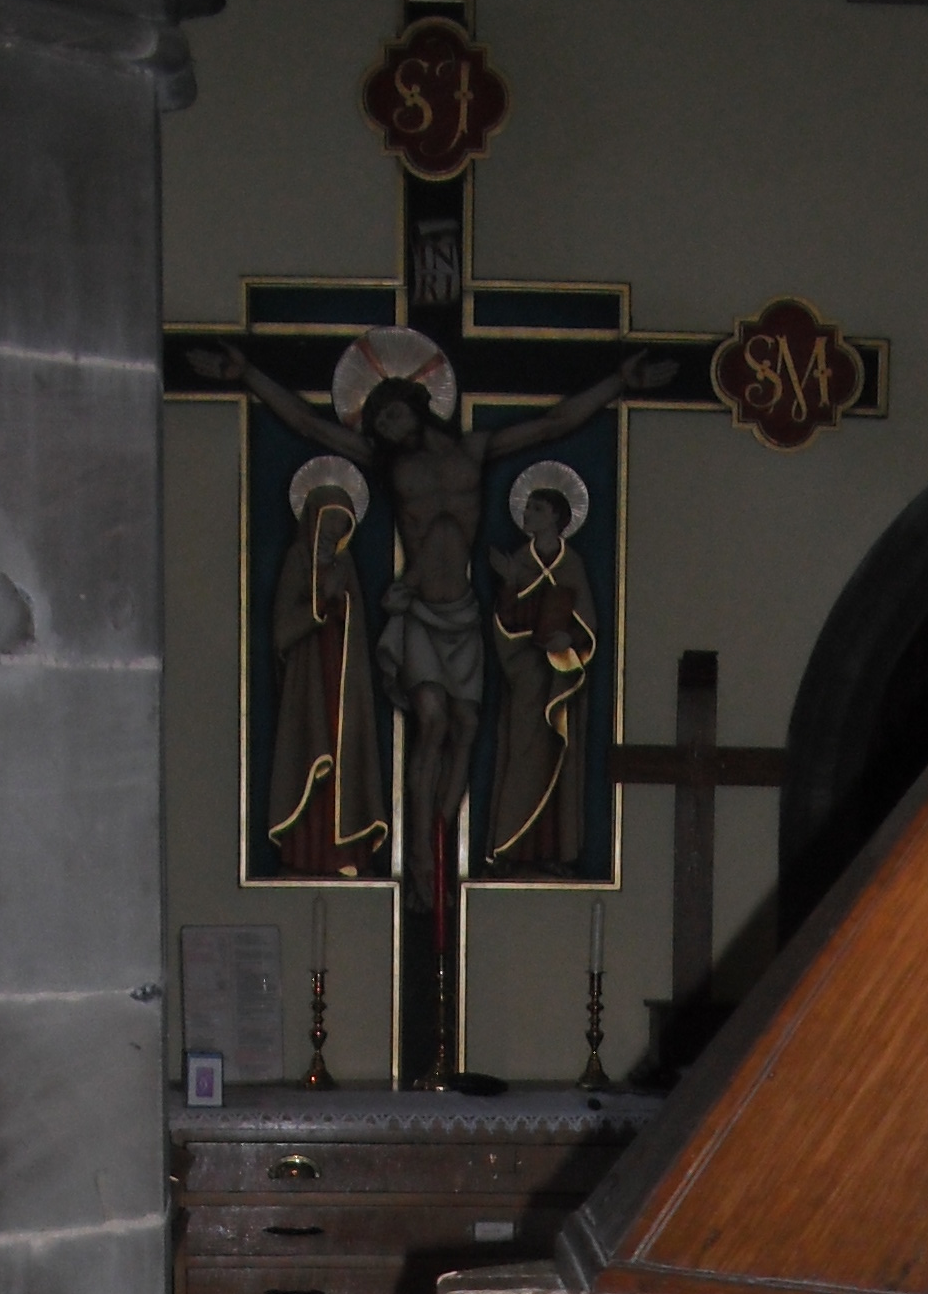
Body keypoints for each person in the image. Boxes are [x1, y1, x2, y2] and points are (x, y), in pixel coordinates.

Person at [209, 324, 671, 908]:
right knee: (430, 720)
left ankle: (444, 845)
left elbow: (555, 424)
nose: (387, 428)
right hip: (421, 612)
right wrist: (246, 376)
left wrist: (616, 385)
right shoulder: (386, 464)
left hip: (465, 614)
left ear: (415, 405)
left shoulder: (475, 451)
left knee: (466, 729)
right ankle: (423, 865)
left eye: (392, 416)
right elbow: (305, 424)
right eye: (377, 424)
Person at [266, 459, 390, 878]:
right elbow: (283, 627)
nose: (337, 531)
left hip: (343, 676)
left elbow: (356, 620)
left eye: (343, 523)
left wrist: (342, 600)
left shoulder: (346, 565)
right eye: (331, 520)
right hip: (309, 679)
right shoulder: (297, 559)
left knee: (346, 759)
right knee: (309, 755)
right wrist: (321, 601)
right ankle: (306, 855)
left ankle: (344, 855)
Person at [486, 467, 598, 871]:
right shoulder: (519, 561)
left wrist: (571, 640)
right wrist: (513, 585)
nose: (528, 514)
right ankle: (514, 847)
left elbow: (587, 622)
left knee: (560, 759)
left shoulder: (572, 564)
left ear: (555, 516)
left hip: (560, 675)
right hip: (526, 676)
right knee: (522, 758)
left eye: (536, 508)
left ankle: (554, 851)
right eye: (528, 507)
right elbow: (504, 620)